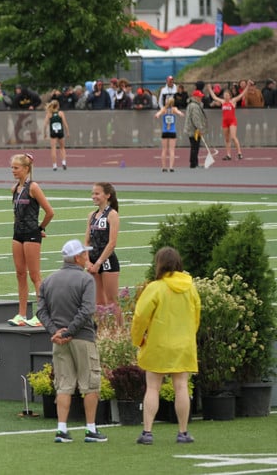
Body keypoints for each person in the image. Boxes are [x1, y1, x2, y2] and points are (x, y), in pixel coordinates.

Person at [37, 239, 107, 444]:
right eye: (84, 254)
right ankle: (91, 429)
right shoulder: (86, 280)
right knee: (90, 384)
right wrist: (69, 331)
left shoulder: (48, 281)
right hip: (82, 338)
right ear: (77, 258)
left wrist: (56, 332)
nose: (87, 256)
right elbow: (87, 310)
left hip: (59, 341)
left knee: (64, 385)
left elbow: (41, 311)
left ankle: (61, 429)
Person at [131, 247, 200, 445]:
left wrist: (138, 339)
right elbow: (196, 316)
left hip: (158, 343)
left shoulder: (155, 288)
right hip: (183, 344)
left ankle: (147, 432)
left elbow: (140, 316)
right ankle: (183, 432)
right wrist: (188, 336)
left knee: (153, 387)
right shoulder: (190, 287)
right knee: (181, 386)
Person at [9, 153, 54, 327]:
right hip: (17, 234)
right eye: (12, 168)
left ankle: (42, 314)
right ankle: (21, 314)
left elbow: (49, 211)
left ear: (26, 169)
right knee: (20, 274)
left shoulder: (33, 187)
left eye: (16, 168)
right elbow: (16, 214)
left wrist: (40, 228)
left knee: (35, 275)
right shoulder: (15, 189)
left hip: (31, 234)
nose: (13, 171)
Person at [85, 182, 122, 326]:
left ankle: (120, 332)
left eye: (97, 193)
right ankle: (102, 332)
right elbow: (87, 241)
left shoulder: (112, 214)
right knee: (98, 303)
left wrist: (98, 263)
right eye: (92, 193)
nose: (93, 196)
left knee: (112, 302)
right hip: (92, 262)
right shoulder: (92, 215)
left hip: (107, 262)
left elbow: (112, 243)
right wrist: (87, 262)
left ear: (107, 195)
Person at [208, 83, 246, 160]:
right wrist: (209, 89)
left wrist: (248, 86)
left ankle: (239, 153)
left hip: (232, 121)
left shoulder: (233, 101)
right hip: (225, 122)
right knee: (227, 139)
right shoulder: (222, 102)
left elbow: (241, 95)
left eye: (227, 95)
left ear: (230, 96)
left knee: (233, 137)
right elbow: (214, 97)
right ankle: (228, 155)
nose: (225, 96)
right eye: (224, 95)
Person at [154, 97, 184, 172]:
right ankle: (171, 167)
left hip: (165, 131)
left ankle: (164, 167)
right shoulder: (174, 109)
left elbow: (158, 113)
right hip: (172, 132)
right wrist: (180, 113)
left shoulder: (164, 109)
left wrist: (157, 115)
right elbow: (179, 112)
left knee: (164, 150)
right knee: (172, 150)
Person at [184, 86, 208, 169]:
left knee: (195, 146)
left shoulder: (193, 105)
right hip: (194, 130)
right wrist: (200, 128)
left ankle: (194, 162)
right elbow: (196, 119)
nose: (201, 98)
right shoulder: (194, 106)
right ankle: (193, 163)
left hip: (192, 129)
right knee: (195, 146)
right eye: (199, 97)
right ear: (195, 97)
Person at [43, 99, 69, 171]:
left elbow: (45, 125)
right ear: (57, 106)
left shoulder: (49, 114)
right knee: (62, 148)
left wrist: (45, 133)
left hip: (53, 132)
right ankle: (63, 163)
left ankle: (54, 165)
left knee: (53, 148)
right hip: (60, 132)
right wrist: (67, 132)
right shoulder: (60, 113)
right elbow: (65, 123)